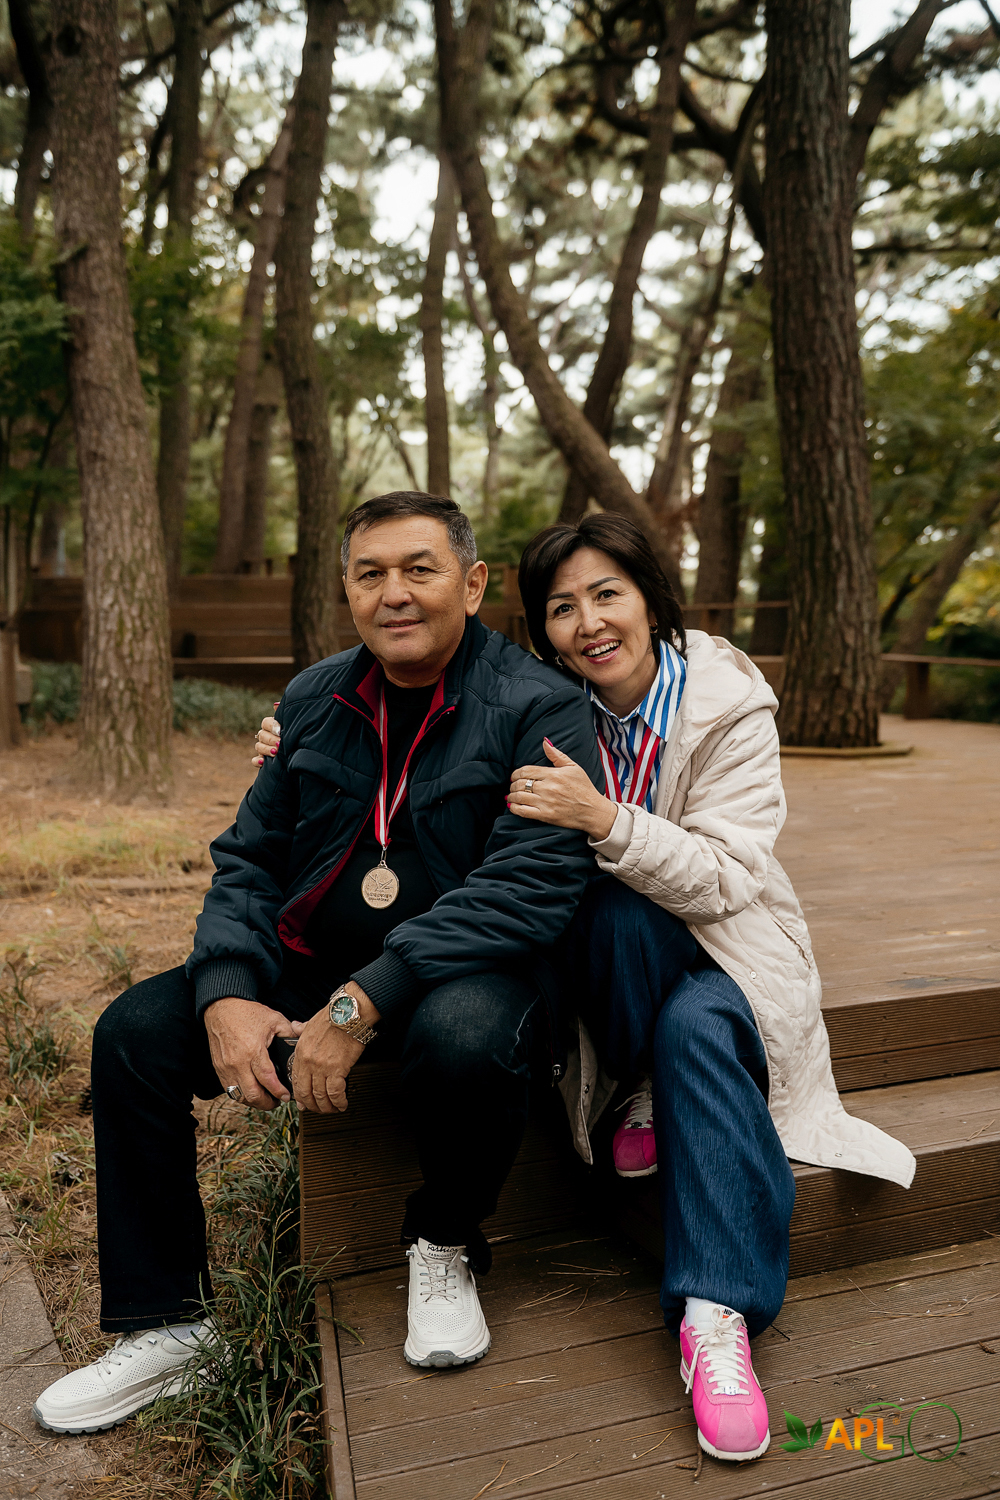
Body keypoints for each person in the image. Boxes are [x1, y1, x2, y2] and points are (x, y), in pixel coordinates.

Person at [33, 493, 603, 1437]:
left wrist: (360, 1004)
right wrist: (225, 992)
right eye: (370, 574)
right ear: (346, 590)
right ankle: (167, 1326)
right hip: (313, 962)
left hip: (459, 976)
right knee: (134, 1032)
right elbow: (250, 860)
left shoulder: (539, 704)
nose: (394, 594)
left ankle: (444, 1243)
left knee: (467, 1034)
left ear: (472, 584)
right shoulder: (314, 698)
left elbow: (530, 886)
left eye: (418, 570)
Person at [500, 514, 916, 1464]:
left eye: (607, 594)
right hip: (615, 963)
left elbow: (728, 878)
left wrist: (604, 819)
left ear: (652, 599)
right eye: (561, 607)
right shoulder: (542, 702)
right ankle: (641, 1076)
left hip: (731, 949)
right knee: (614, 911)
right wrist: (300, 728)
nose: (588, 623)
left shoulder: (728, 707)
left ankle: (715, 1318)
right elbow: (433, 703)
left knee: (696, 1026)